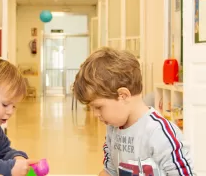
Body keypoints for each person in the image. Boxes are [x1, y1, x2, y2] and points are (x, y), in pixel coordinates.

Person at [73, 47, 194, 176]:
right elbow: (109, 171)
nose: (95, 114)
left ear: (123, 95)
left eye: (98, 107)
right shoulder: (113, 129)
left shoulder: (160, 133)